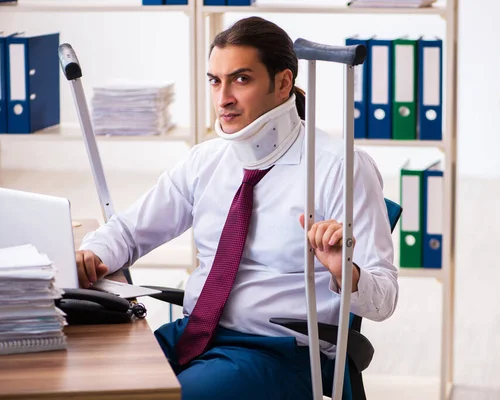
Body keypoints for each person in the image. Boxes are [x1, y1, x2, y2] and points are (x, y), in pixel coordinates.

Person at [76, 16, 398, 400]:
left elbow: (384, 299)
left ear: (282, 83)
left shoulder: (340, 167)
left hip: (277, 352)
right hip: (195, 333)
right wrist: (94, 253)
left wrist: (345, 269)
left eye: (241, 79)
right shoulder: (206, 160)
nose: (223, 97)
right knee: (91, 379)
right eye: (215, 80)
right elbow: (129, 231)